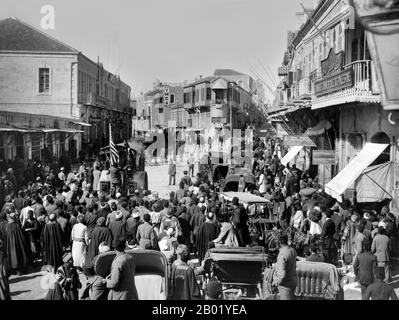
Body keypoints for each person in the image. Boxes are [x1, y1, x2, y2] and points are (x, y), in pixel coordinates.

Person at [104, 236, 138, 300]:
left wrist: (106, 281)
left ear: (115, 248)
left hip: (121, 296)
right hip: (131, 294)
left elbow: (114, 283)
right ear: (125, 246)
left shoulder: (117, 261)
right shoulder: (130, 257)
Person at [274, 234, 297, 300]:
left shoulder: (282, 254)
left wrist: (277, 282)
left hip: (285, 284)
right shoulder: (292, 250)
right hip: (293, 281)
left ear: (279, 242)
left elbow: (282, 274)